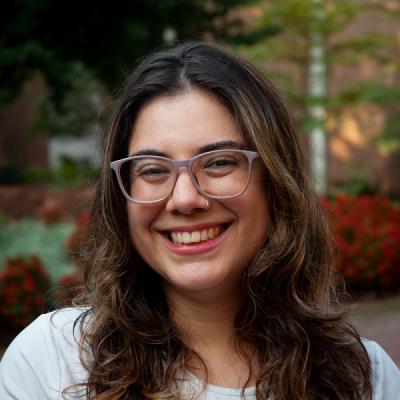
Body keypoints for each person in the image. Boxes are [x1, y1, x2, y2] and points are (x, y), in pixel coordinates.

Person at [0, 42, 399, 400]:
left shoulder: (365, 378)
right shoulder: (52, 364)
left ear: (276, 181)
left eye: (220, 162)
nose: (185, 198)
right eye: (153, 170)